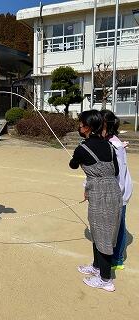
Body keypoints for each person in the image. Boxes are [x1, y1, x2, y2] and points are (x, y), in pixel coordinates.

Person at [69, 110, 122, 292]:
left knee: (104, 235)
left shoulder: (82, 149)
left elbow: (73, 164)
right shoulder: (109, 146)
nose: (79, 126)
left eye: (81, 123)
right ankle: (96, 267)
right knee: (97, 231)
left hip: (101, 195)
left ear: (88, 127)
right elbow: (114, 171)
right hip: (112, 192)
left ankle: (106, 280)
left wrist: (79, 158)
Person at [101, 110, 132, 270]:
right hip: (113, 193)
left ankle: (117, 258)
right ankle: (113, 255)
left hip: (118, 194)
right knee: (113, 225)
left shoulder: (115, 146)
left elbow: (119, 175)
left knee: (118, 226)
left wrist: (113, 196)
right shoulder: (110, 142)